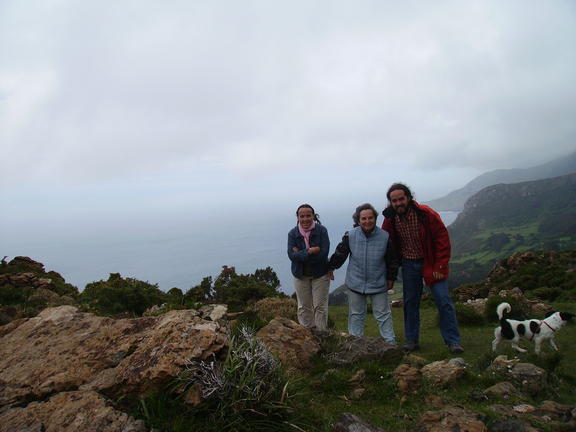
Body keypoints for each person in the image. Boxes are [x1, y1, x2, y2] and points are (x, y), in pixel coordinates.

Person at [381, 183, 464, 354]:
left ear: (409, 198)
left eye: (401, 199)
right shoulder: (390, 219)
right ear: (390, 203)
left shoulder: (426, 214)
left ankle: (453, 341)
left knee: (443, 301)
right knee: (410, 303)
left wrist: (440, 265)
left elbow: (442, 239)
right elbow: (385, 242)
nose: (398, 203)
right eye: (394, 201)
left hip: (431, 263)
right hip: (409, 265)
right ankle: (412, 341)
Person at [329, 203, 399, 344]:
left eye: (370, 218)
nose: (367, 221)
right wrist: (331, 267)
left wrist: (391, 277)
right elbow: (340, 253)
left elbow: (392, 259)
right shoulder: (351, 235)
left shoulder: (384, 236)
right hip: (356, 282)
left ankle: (390, 343)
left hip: (378, 282)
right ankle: (355, 343)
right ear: (358, 220)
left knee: (383, 315)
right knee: (356, 315)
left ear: (375, 218)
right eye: (364, 219)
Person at [287, 204, 331, 331]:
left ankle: (322, 334)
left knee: (320, 307)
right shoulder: (292, 234)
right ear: (298, 218)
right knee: (304, 306)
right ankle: (306, 334)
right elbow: (291, 256)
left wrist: (300, 254)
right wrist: (310, 251)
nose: (305, 219)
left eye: (308, 215)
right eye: (302, 216)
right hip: (300, 275)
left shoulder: (322, 231)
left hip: (320, 274)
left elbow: (323, 254)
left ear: (313, 216)